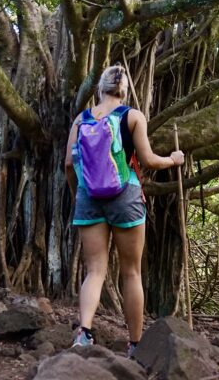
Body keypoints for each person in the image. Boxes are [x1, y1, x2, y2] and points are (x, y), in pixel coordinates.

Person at [64, 64, 186, 356]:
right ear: (125, 90)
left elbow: (69, 164)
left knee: (94, 270)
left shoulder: (80, 120)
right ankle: (134, 344)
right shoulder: (133, 116)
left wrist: (78, 193)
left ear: (99, 88)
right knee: (131, 273)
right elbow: (148, 160)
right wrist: (174, 159)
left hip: (88, 197)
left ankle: (84, 334)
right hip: (126, 195)